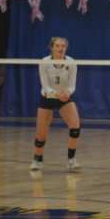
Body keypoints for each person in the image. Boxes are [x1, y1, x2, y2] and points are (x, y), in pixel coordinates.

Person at [30, 37, 81, 171]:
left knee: (75, 127)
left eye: (63, 46)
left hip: (64, 97)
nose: (60, 48)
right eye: (57, 46)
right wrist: (56, 93)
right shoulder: (45, 62)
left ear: (66, 48)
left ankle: (71, 160)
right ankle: (37, 160)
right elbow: (45, 86)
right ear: (52, 48)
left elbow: (72, 85)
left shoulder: (71, 62)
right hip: (48, 97)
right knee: (41, 135)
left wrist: (67, 93)